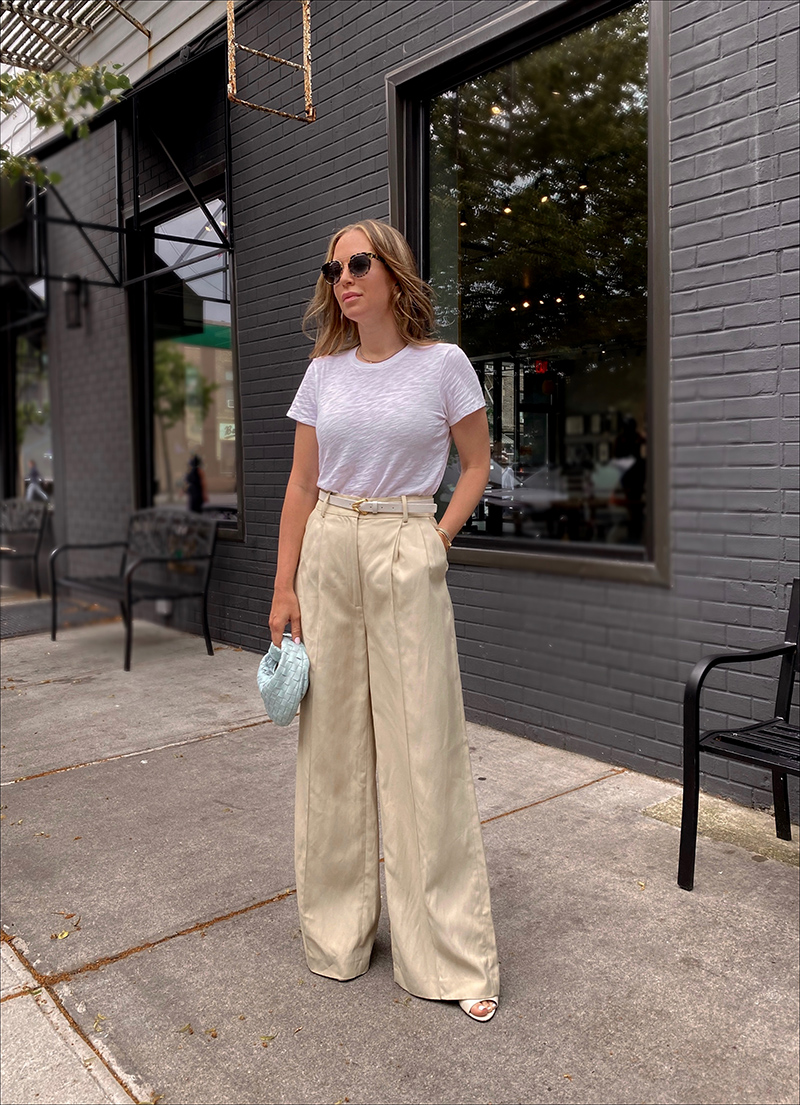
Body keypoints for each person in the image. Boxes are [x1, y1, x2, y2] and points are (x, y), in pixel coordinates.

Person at [269, 220, 500, 1022]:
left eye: (357, 262)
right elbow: (300, 485)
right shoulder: (323, 372)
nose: (343, 277)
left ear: (394, 272)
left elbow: (477, 462)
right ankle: (335, 933)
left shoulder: (443, 366)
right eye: (333, 266)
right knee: (330, 750)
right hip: (328, 547)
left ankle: (448, 953)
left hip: (405, 541)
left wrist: (434, 539)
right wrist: (283, 588)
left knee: (422, 747)